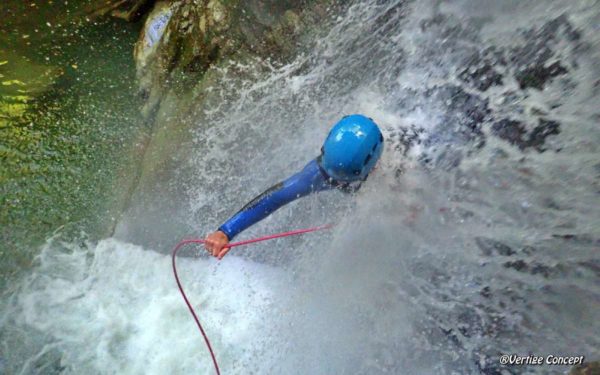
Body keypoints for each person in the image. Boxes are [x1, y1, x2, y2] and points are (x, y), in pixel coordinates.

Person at [203, 114, 384, 259]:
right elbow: (274, 198)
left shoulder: (406, 160)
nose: (332, 181)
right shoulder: (319, 173)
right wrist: (225, 232)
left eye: (340, 181)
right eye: (330, 175)